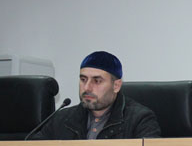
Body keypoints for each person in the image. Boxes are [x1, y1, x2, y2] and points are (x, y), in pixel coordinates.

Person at [30, 51, 161, 139]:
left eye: (97, 81)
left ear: (116, 86)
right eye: (83, 80)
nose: (87, 87)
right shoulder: (62, 119)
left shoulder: (140, 120)